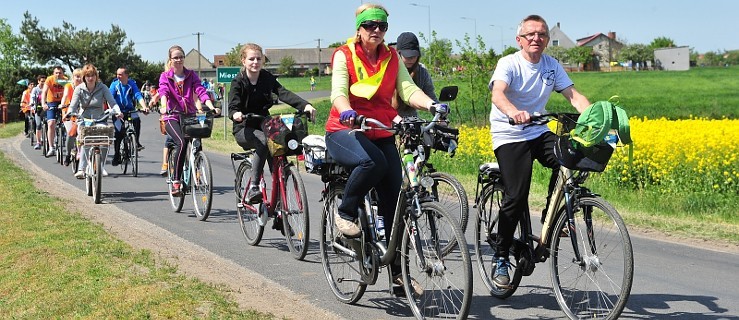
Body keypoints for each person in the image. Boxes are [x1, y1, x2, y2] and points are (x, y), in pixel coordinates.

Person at [325, 3, 447, 291]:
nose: (377, 31)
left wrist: (432, 105)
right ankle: (345, 213)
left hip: (380, 130)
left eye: (382, 26)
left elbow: (406, 89)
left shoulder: (392, 57)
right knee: (373, 163)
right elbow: (338, 93)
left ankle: (398, 275)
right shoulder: (344, 55)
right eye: (371, 26)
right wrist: (346, 110)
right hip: (345, 129)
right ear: (359, 28)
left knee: (396, 202)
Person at [487, 14, 591, 288]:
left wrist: (596, 116)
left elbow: (574, 96)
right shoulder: (508, 63)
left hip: (537, 130)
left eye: (542, 34)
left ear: (547, 40)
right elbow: (498, 94)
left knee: (568, 157)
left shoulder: (551, 65)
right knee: (517, 195)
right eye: (530, 34)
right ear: (519, 39)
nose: (536, 38)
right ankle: (500, 256)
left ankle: (550, 217)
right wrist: (513, 112)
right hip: (509, 133)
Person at [228, 43, 316, 206]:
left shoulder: (266, 78)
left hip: (264, 123)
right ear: (243, 61)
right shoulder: (238, 82)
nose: (255, 62)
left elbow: (283, 93)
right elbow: (232, 107)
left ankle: (279, 203)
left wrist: (305, 105)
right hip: (243, 127)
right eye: (251, 59)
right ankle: (254, 186)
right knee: (263, 141)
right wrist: (236, 114)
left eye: (258, 59)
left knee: (282, 143)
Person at [158, 45, 219, 196]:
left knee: (197, 142)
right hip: (172, 116)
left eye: (181, 57)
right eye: (175, 57)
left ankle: (197, 169)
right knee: (181, 142)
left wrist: (211, 107)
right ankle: (177, 181)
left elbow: (200, 91)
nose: (179, 60)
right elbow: (163, 92)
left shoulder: (191, 75)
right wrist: (164, 106)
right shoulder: (165, 76)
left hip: (189, 116)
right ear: (170, 60)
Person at [67, 64, 123, 179]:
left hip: (100, 118)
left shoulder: (102, 87)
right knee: (84, 139)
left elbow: (112, 102)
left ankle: (100, 165)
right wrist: (69, 113)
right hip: (84, 119)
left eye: (92, 75)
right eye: (87, 76)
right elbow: (73, 105)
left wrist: (117, 111)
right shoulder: (79, 89)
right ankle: (82, 169)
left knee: (105, 137)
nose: (90, 78)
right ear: (84, 77)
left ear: (96, 76)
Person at [110, 66, 150, 166]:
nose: (118, 76)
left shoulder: (132, 84)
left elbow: (138, 95)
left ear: (126, 75)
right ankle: (116, 155)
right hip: (118, 112)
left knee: (137, 120)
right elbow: (110, 98)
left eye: (120, 74)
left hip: (129, 110)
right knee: (118, 133)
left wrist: (144, 107)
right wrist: (115, 111)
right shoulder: (114, 84)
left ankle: (136, 142)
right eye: (117, 74)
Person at [392, 32, 437, 117]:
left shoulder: (421, 71)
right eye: (407, 56)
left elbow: (431, 96)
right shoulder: (389, 70)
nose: (411, 59)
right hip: (389, 122)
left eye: (414, 55)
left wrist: (439, 114)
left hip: (412, 122)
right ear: (398, 54)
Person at [41, 66, 69, 156]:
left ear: (63, 73)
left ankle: (64, 134)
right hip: (51, 102)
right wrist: (43, 104)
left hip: (63, 102)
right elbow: (44, 92)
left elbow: (69, 91)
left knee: (68, 120)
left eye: (60, 73)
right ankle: (51, 147)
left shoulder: (66, 80)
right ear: (53, 73)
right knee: (51, 123)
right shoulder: (49, 80)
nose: (58, 74)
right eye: (56, 73)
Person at [60, 68, 84, 165]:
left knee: (81, 134)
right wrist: (62, 104)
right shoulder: (68, 86)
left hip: (80, 112)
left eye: (80, 77)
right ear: (73, 77)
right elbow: (65, 96)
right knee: (71, 134)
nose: (78, 79)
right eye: (77, 77)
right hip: (68, 112)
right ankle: (68, 154)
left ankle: (80, 153)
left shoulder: (84, 87)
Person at [30, 75, 47, 150]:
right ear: (38, 81)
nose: (43, 83)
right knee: (38, 125)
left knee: (48, 123)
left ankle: (48, 140)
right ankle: (38, 142)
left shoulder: (47, 88)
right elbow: (32, 98)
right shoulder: (35, 89)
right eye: (42, 81)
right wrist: (32, 105)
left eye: (44, 81)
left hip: (46, 108)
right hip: (38, 108)